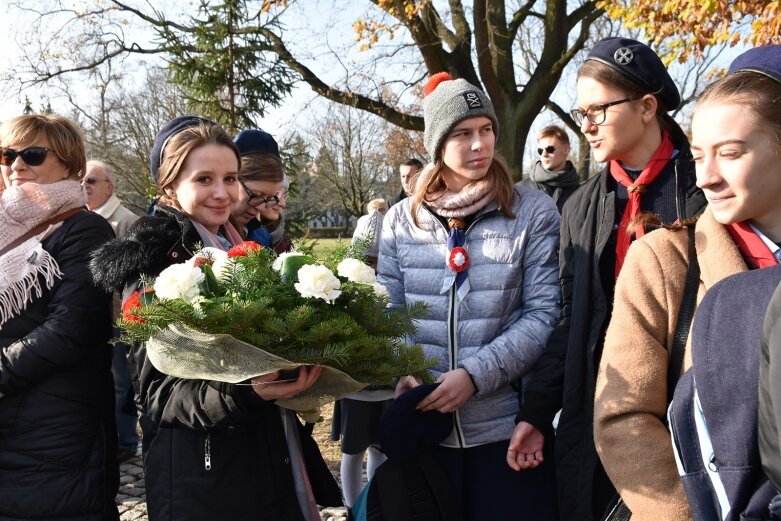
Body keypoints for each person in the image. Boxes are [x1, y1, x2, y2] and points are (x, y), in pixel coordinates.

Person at [90, 116, 341, 520]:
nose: (223, 193)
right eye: (204, 179)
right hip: (202, 476)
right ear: (170, 185)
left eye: (230, 178)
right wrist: (247, 392)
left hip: (260, 455)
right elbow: (159, 397)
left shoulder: (240, 247)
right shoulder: (156, 260)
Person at [509, 37, 706, 521]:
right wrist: (537, 411)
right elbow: (567, 315)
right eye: (581, 113)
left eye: (598, 109)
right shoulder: (581, 206)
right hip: (595, 411)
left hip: (682, 410)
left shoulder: (705, 191)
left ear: (646, 106)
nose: (587, 125)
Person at [594, 45, 781, 520]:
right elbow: (622, 418)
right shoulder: (664, 261)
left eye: (731, 153)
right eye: (699, 156)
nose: (708, 177)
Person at [378, 72, 561, 520]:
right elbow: (387, 309)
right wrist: (407, 369)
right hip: (426, 432)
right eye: (463, 134)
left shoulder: (531, 210)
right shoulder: (403, 220)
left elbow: (542, 313)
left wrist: (475, 376)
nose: (479, 144)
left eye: (486, 130)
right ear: (437, 143)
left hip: (504, 435)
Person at [0, 114, 119, 519]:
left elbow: (71, 328)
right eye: (7, 154)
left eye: (32, 154)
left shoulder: (85, 229)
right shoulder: (3, 228)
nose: (16, 165)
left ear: (70, 163)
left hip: (56, 429)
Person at [83, 159, 141, 462]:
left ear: (109, 186)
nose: (85, 186)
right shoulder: (81, 218)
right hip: (90, 316)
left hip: (118, 316)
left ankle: (126, 441)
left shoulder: (126, 221)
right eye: (82, 181)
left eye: (91, 180)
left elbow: (134, 278)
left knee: (121, 381)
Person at [232, 128, 293, 254]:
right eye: (255, 195)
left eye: (269, 199)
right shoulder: (207, 230)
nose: (261, 207)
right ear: (231, 179)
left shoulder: (259, 236)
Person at [520, 125, 580, 212]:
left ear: (566, 149)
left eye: (550, 149)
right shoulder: (521, 190)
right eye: (540, 151)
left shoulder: (581, 193)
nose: (544, 154)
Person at [351, 198, 388, 270]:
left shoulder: (362, 219)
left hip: (359, 254)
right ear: (382, 209)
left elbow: (355, 238)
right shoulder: (386, 219)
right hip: (379, 257)